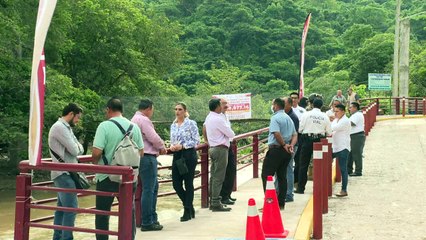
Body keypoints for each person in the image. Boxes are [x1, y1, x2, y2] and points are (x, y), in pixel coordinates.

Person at [92, 98, 144, 240]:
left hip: (106, 176)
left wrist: (95, 164)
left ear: (108, 109)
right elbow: (141, 152)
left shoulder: (104, 126)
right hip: (128, 177)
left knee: (103, 214)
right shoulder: (134, 127)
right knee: (128, 212)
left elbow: (96, 152)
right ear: (122, 110)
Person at [49, 103, 84, 240]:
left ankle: (58, 237)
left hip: (64, 172)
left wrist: (77, 147)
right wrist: (77, 147)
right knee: (71, 208)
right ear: (71, 114)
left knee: (62, 208)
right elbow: (76, 150)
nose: (77, 121)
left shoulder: (65, 127)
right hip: (63, 173)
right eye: (77, 117)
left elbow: (77, 148)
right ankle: (66, 238)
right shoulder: (60, 128)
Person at [131, 99, 166, 231]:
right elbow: (153, 137)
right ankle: (148, 221)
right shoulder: (144, 120)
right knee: (149, 189)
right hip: (147, 157)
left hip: (138, 157)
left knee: (149, 188)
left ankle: (149, 218)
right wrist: (162, 147)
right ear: (149, 108)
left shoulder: (133, 119)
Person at [262, 98, 297, 209]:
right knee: (282, 176)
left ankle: (270, 202)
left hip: (276, 149)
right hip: (286, 151)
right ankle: (281, 203)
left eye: (273, 105)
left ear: (276, 106)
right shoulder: (288, 118)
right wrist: (290, 145)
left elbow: (276, 133)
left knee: (267, 176)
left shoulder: (275, 118)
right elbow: (295, 134)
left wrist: (283, 144)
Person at [169, 102, 200, 222]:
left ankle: (187, 210)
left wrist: (183, 146)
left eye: (180, 109)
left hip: (188, 154)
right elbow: (172, 140)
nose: (177, 111)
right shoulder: (173, 125)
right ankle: (189, 206)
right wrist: (172, 146)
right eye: (176, 109)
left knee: (188, 182)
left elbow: (196, 140)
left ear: (185, 111)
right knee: (176, 184)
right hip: (177, 155)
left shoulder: (191, 123)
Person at [204, 98, 235, 211]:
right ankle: (216, 202)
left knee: (213, 175)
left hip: (212, 147)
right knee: (219, 177)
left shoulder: (209, 117)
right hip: (220, 149)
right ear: (217, 106)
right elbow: (231, 133)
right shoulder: (218, 119)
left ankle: (212, 200)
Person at [296, 98, 332, 194]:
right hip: (320, 141)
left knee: (303, 164)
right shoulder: (324, 116)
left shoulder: (306, 114)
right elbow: (329, 132)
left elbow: (300, 129)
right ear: (322, 106)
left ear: (312, 104)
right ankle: (319, 188)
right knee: (320, 164)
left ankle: (300, 188)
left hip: (307, 140)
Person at [218, 98, 237, 205]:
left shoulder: (225, 116)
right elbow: (205, 127)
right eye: (223, 104)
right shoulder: (217, 117)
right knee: (224, 173)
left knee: (231, 170)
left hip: (228, 145)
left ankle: (227, 194)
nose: (226, 105)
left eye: (226, 103)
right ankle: (223, 196)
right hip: (222, 146)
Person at [331, 104, 351, 197]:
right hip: (335, 147)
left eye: (337, 111)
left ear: (343, 111)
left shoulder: (345, 121)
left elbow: (333, 128)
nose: (335, 113)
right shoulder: (336, 120)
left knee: (343, 169)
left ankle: (344, 190)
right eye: (334, 111)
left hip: (343, 147)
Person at [282, 97, 299, 203]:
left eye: (284, 103)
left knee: (288, 169)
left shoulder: (292, 117)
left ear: (289, 105)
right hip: (286, 145)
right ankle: (284, 192)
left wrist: (289, 145)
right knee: (285, 169)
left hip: (290, 145)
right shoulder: (285, 115)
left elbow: (294, 134)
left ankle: (289, 194)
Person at [348, 102, 365, 177]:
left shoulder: (357, 115)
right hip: (353, 136)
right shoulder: (354, 115)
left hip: (357, 136)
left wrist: (342, 121)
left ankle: (358, 171)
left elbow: (352, 123)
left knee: (357, 154)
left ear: (355, 108)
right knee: (350, 154)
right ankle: (349, 169)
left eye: (351, 107)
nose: (349, 109)